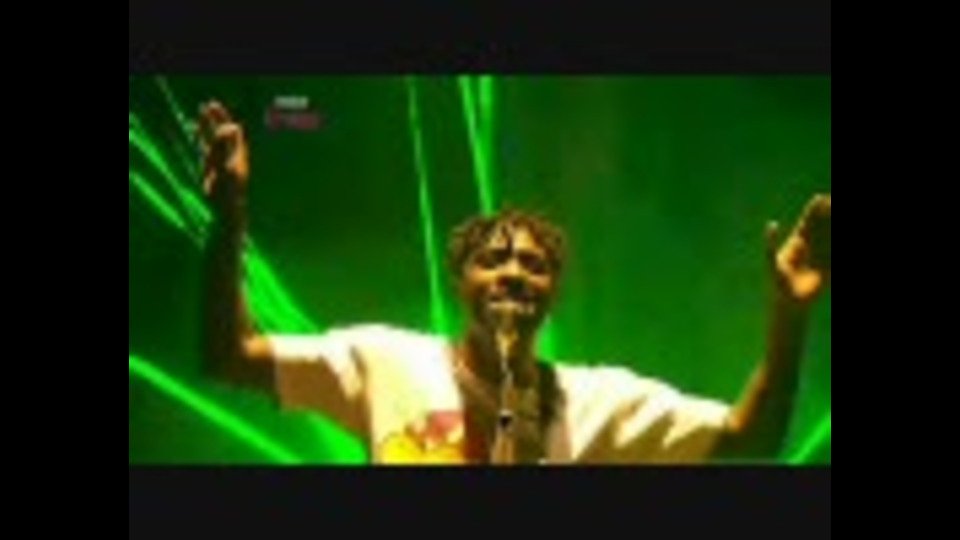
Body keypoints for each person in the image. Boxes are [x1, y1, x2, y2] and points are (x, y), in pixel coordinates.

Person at [198, 100, 831, 465]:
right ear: (459, 280)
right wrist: (228, 217)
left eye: (535, 265)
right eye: (494, 258)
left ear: (553, 293)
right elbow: (229, 354)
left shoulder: (601, 402)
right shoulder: (382, 361)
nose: (515, 272)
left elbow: (752, 443)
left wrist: (791, 317)